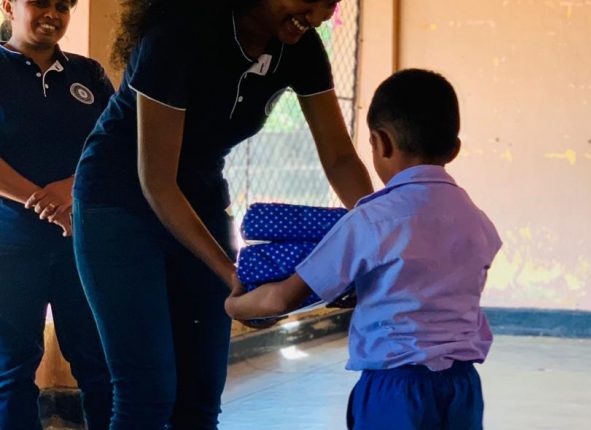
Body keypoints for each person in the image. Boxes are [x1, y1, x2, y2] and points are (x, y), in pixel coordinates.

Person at [71, 0, 373, 428]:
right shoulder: (178, 35)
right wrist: (233, 276)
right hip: (118, 203)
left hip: (201, 199)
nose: (320, 15)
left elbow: (340, 158)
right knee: (146, 395)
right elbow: (158, 182)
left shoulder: (300, 47)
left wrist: (381, 237)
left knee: (200, 397)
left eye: (331, 3)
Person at [226, 69, 502, 430]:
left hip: (393, 389)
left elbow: (280, 300)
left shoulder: (370, 221)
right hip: (462, 388)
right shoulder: (478, 221)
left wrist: (233, 305)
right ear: (454, 149)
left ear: (380, 142)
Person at [0, 0, 114, 429]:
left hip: (82, 243)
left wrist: (71, 187)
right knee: (12, 367)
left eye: (63, 5)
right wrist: (42, 201)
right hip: (10, 247)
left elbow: (116, 144)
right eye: (40, 2)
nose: (53, 13)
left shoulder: (89, 74)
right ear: (9, 6)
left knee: (99, 361)